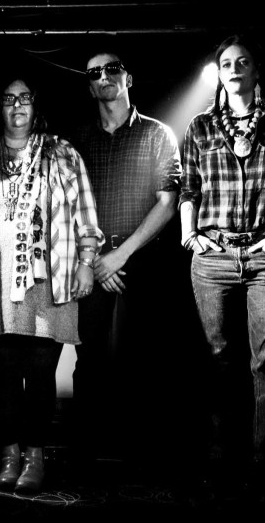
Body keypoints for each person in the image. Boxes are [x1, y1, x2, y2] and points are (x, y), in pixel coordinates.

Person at [178, 34, 265, 491]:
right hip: (213, 256)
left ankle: (263, 459)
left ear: (256, 70)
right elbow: (189, 188)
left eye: (243, 62)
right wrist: (189, 234)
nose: (234, 69)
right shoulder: (201, 126)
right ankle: (220, 453)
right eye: (226, 63)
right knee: (217, 358)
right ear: (218, 73)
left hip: (264, 257)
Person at [0, 75, 103, 494]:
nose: (17, 106)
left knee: (41, 375)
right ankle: (9, 456)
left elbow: (85, 213)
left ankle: (35, 457)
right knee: (4, 376)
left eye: (24, 98)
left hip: (48, 285)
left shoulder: (62, 153)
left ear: (35, 104)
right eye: (8, 98)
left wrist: (86, 262)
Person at [70, 47, 183, 467]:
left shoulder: (157, 134)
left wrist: (121, 255)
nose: (103, 76)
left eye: (111, 68)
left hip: (142, 261)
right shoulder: (78, 140)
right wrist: (96, 259)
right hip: (91, 263)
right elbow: (67, 208)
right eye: (93, 72)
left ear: (128, 78)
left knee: (143, 358)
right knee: (89, 359)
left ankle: (142, 457)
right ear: (89, 86)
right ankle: (86, 455)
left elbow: (167, 204)